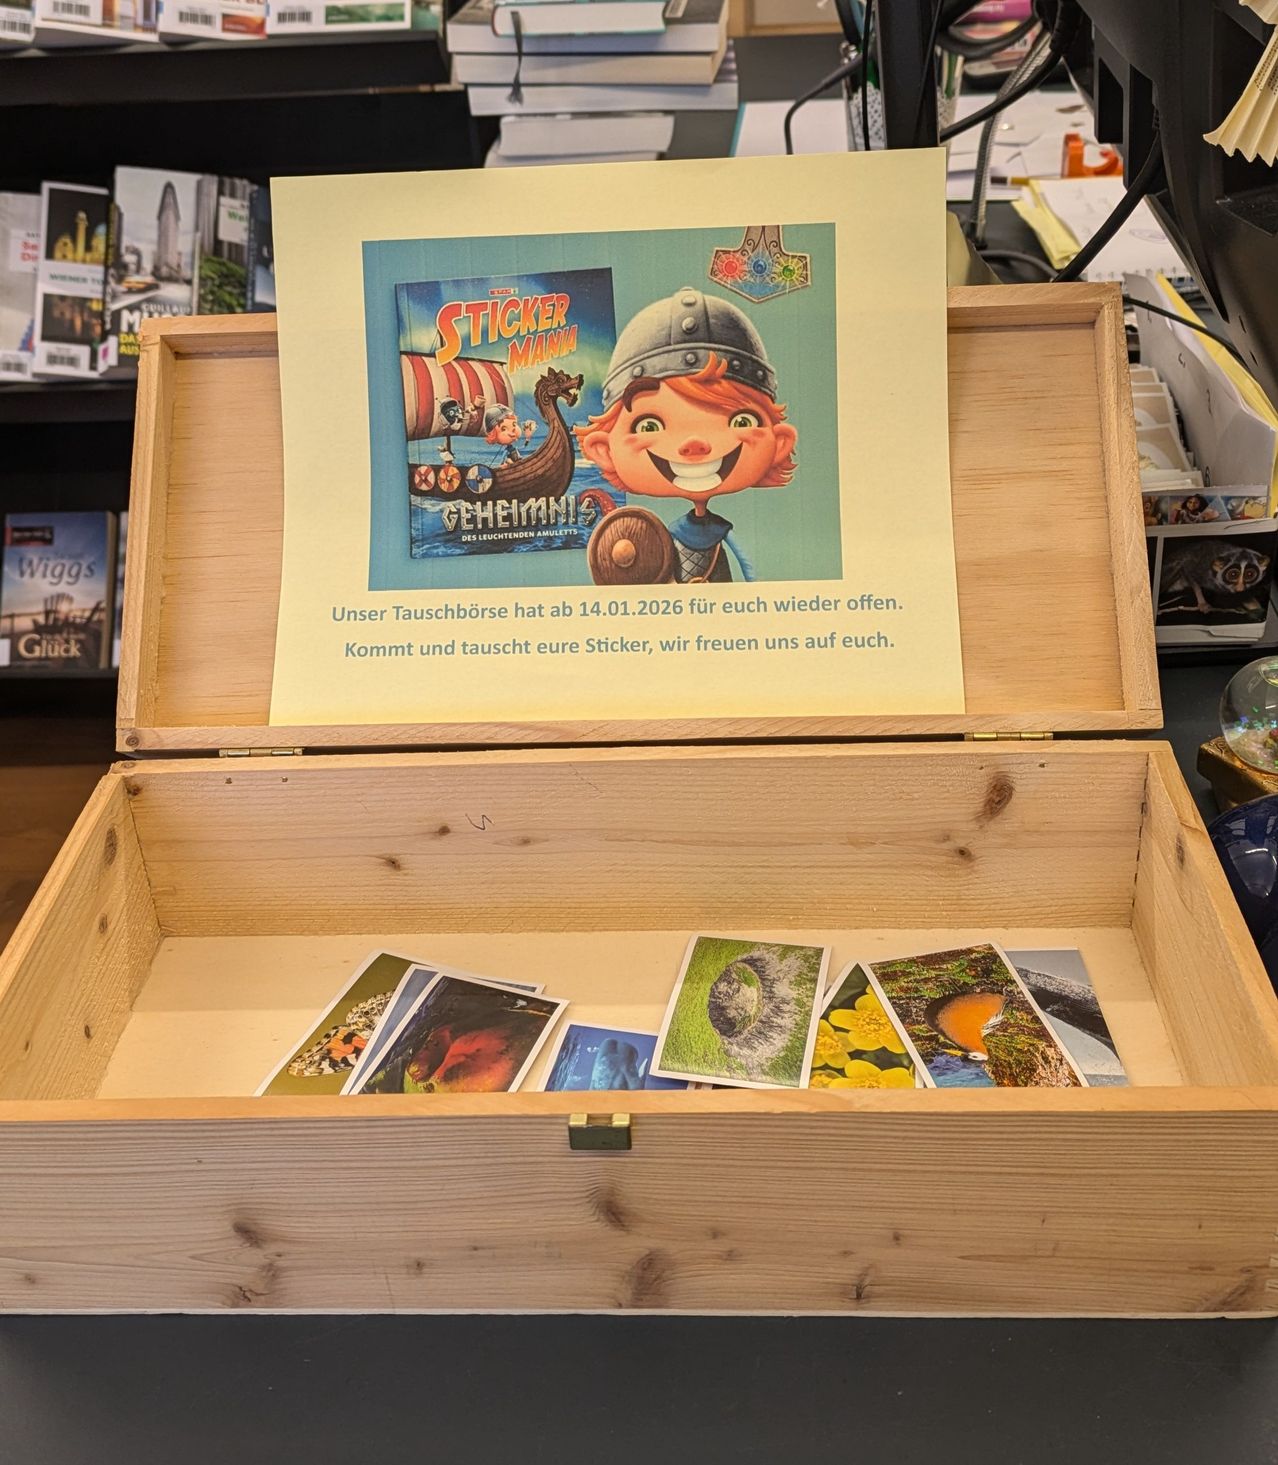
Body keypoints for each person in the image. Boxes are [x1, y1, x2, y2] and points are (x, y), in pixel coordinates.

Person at [575, 286, 797, 583]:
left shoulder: (720, 532)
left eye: (740, 421)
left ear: (780, 443)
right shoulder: (666, 534)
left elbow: (745, 563)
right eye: (649, 426)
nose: (694, 444)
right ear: (603, 449)